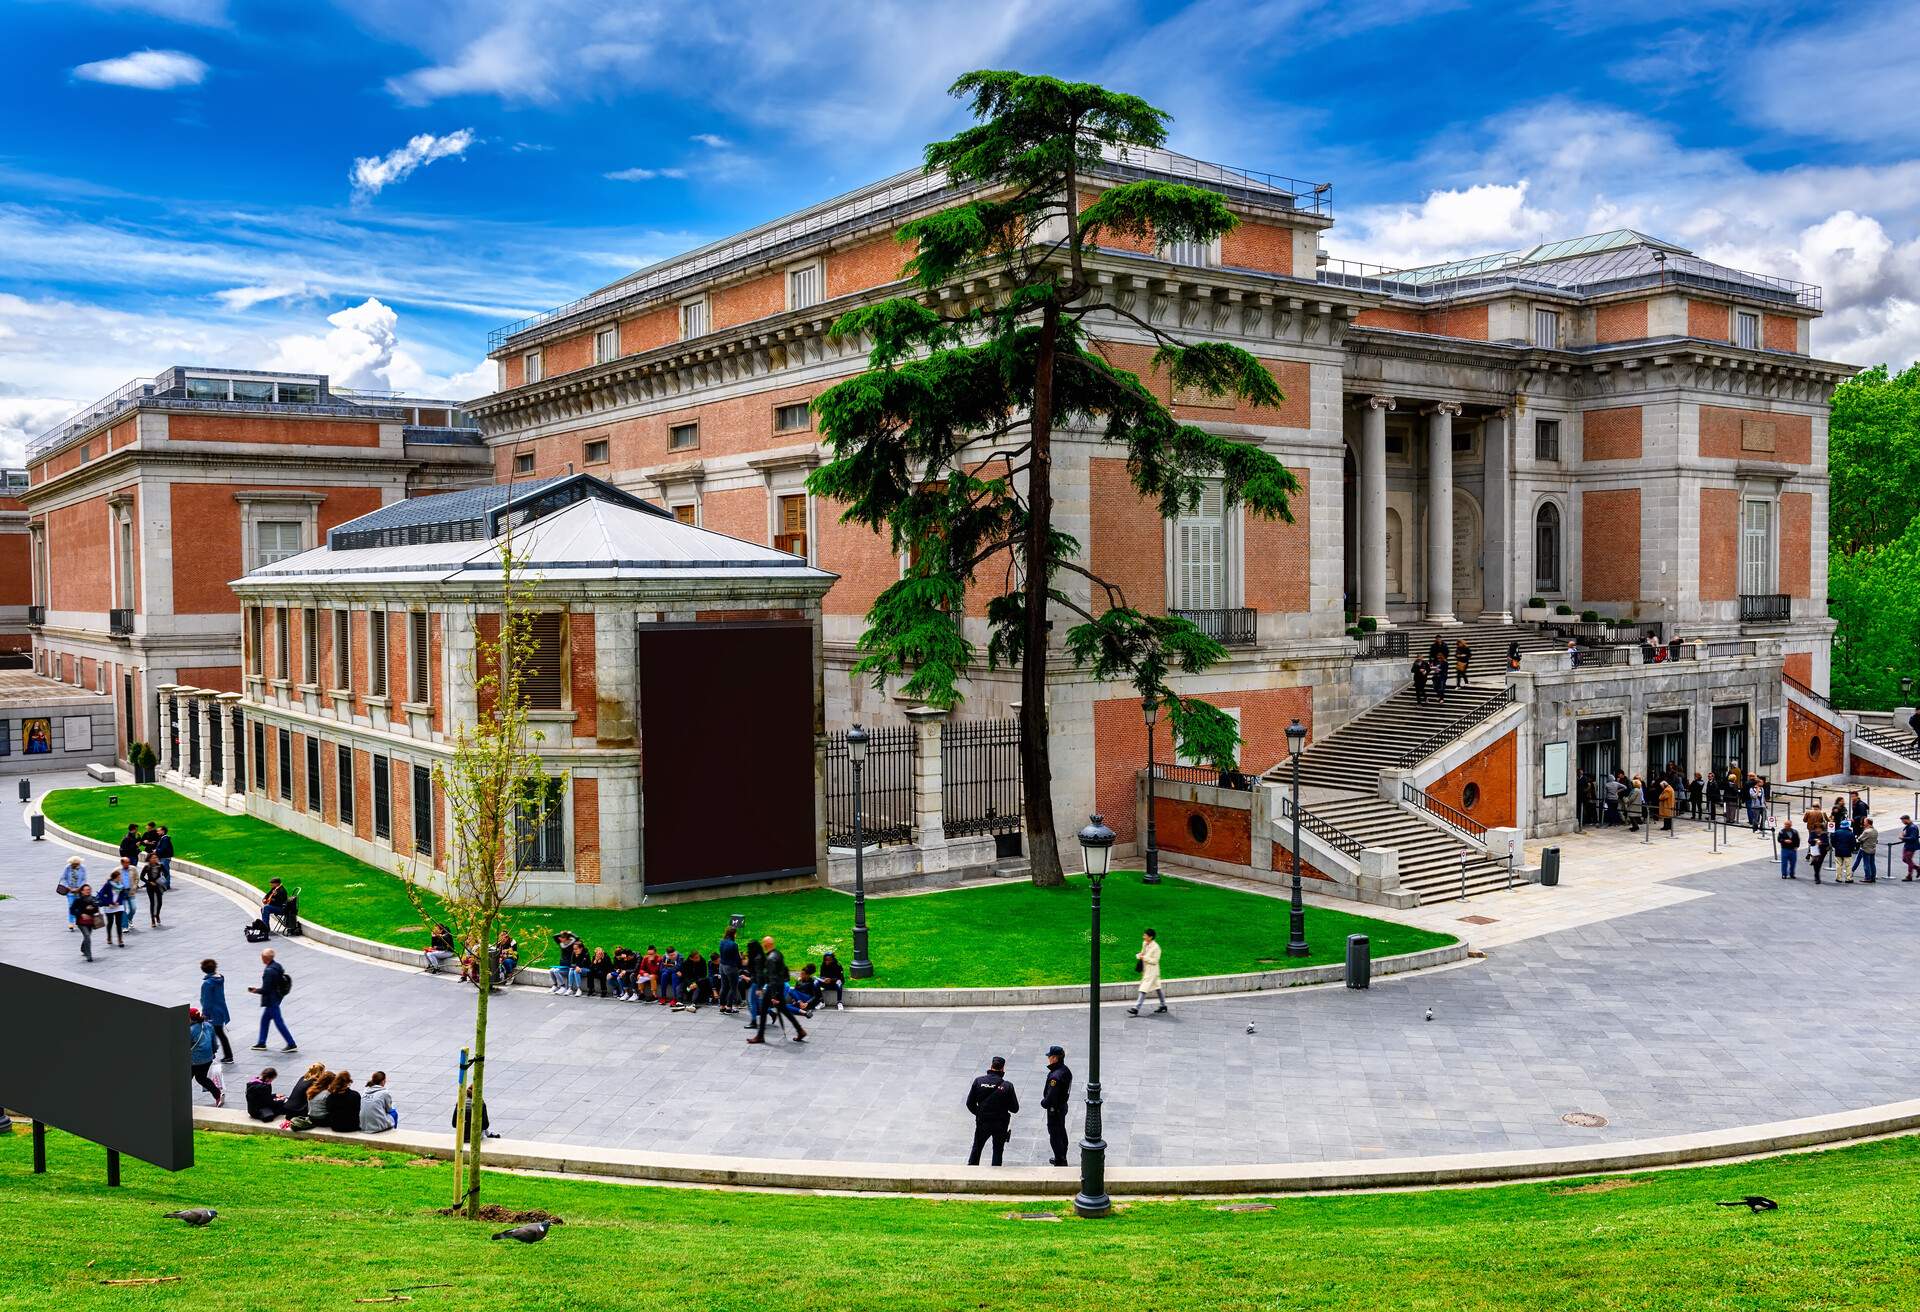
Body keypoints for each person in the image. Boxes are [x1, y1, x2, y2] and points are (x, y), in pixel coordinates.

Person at [748, 936, 806, 1043]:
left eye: (764, 943)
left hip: (772, 988)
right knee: (783, 1009)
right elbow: (784, 972)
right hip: (779, 986)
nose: (763, 945)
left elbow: (773, 977)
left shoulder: (770, 959)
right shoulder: (778, 954)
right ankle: (800, 1030)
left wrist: (774, 996)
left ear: (766, 945)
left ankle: (760, 1036)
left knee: (765, 1008)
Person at [965, 1056, 1020, 1166]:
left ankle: (970, 1173)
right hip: (1000, 1123)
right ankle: (996, 1174)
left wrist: (980, 1113)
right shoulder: (1007, 1086)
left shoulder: (978, 1081)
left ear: (991, 1066)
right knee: (998, 1151)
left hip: (983, 1122)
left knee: (977, 1147)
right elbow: (1015, 1108)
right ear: (1003, 1069)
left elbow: (969, 1103)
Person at [248, 948, 298, 1052]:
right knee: (265, 1020)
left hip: (271, 1000)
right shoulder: (277, 966)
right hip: (277, 997)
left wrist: (255, 990)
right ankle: (261, 1042)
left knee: (279, 1022)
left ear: (265, 958)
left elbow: (266, 989)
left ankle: (291, 1043)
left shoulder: (268, 971)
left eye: (262, 956)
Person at [1040, 1045, 1073, 1167]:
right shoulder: (1066, 1070)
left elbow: (1051, 1096)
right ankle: (1062, 1155)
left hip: (1055, 1109)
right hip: (1062, 1107)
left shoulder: (1055, 1076)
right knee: (1061, 1131)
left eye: (1050, 1056)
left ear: (1055, 1058)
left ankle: (1060, 1160)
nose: (1048, 1059)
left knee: (1055, 1135)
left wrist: (1044, 1103)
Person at [199, 958, 235, 1064]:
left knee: (211, 1033)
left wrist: (205, 1014)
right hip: (221, 1010)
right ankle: (227, 1056)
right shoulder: (220, 978)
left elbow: (207, 1000)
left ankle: (217, 1055)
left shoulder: (208, 983)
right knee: (219, 1033)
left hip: (213, 1013)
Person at [187, 1008, 223, 1106]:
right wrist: (213, 1053)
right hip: (208, 1058)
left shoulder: (190, 1030)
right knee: (201, 1078)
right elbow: (214, 1043)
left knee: (185, 1079)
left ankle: (180, 1101)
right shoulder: (207, 1025)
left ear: (190, 1018)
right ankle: (218, 1095)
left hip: (195, 1061)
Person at [1127, 928, 1166, 1016]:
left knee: (1143, 988)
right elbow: (1143, 953)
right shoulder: (1144, 943)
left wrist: (1143, 958)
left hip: (1152, 971)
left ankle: (1136, 1008)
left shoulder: (1156, 948)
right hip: (1147, 970)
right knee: (1157, 987)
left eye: (1145, 935)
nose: (1143, 937)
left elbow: (1155, 961)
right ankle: (1163, 1005)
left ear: (1150, 937)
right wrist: (1139, 955)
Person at [98, 866, 131, 948]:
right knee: (110, 922)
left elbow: (123, 895)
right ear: (115, 877)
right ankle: (109, 937)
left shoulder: (121, 885)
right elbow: (101, 895)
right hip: (109, 906)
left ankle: (120, 940)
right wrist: (109, 903)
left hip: (118, 906)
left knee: (118, 923)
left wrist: (118, 902)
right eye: (119, 877)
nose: (120, 878)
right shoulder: (108, 885)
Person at [716, 928, 744, 1014]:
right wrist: (740, 965)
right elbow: (737, 958)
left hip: (722, 966)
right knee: (733, 987)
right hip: (731, 968)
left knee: (724, 986)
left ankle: (722, 1006)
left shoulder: (722, 942)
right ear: (733, 934)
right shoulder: (734, 944)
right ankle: (729, 1007)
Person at [57, 855, 86, 931]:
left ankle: (78, 920)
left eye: (77, 864)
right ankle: (71, 922)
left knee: (79, 906)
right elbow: (63, 878)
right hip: (69, 891)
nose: (75, 866)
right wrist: (68, 887)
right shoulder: (67, 868)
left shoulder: (83, 868)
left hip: (79, 891)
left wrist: (79, 888)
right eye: (73, 864)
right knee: (71, 906)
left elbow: (84, 879)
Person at [71, 885, 99, 962]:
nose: (88, 891)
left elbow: (97, 909)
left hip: (90, 922)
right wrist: (81, 914)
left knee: (87, 936)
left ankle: (83, 948)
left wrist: (93, 908)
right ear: (82, 891)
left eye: (89, 889)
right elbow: (72, 910)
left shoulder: (93, 899)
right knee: (87, 936)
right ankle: (89, 955)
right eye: (86, 890)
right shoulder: (78, 900)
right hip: (81, 922)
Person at [139, 853, 166, 927]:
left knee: (160, 902)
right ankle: (152, 920)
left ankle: (157, 914)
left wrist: (161, 879)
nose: (155, 859)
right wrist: (149, 882)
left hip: (158, 885)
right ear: (149, 859)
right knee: (152, 902)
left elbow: (166, 873)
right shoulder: (147, 867)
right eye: (153, 858)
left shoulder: (160, 865)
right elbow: (141, 877)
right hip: (150, 886)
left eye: (156, 857)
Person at [1831, 816, 1857, 883]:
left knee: (1838, 865)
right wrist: (1851, 849)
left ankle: (1838, 878)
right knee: (1848, 866)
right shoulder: (1850, 833)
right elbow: (1853, 843)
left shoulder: (1836, 832)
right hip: (1847, 852)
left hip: (1838, 851)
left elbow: (1832, 841)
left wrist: (1835, 847)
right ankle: (1848, 878)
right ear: (1848, 826)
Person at [1855, 818, 1879, 883]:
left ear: (1868, 823)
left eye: (1865, 822)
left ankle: (1867, 877)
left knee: (1866, 864)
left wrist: (1858, 838)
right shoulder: (1875, 831)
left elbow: (1860, 839)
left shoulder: (1867, 831)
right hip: (1873, 849)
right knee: (1872, 864)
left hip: (1865, 849)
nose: (1863, 823)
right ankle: (1873, 877)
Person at [1902, 815, 1919, 881]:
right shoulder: (1908, 826)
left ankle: (1909, 876)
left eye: (1903, 820)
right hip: (1907, 845)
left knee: (1908, 860)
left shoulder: (1913, 827)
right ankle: (1918, 868)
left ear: (1907, 819)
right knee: (1904, 859)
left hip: (1912, 846)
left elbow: (1913, 838)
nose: (1902, 822)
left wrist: (1903, 837)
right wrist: (1904, 836)